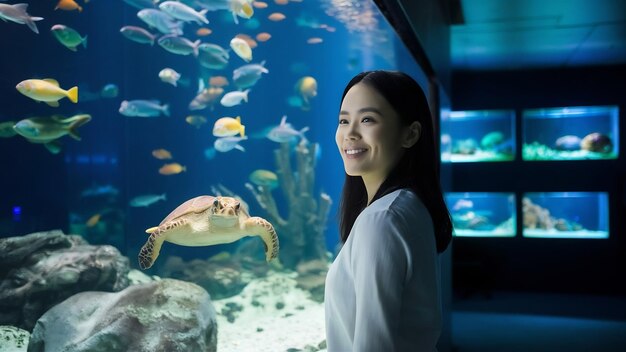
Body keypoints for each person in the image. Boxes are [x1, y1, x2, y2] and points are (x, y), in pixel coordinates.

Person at [324, 70, 453, 352]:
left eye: (367, 119)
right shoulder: (408, 205)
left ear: (410, 134)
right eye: (344, 120)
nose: (350, 133)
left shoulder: (381, 219)